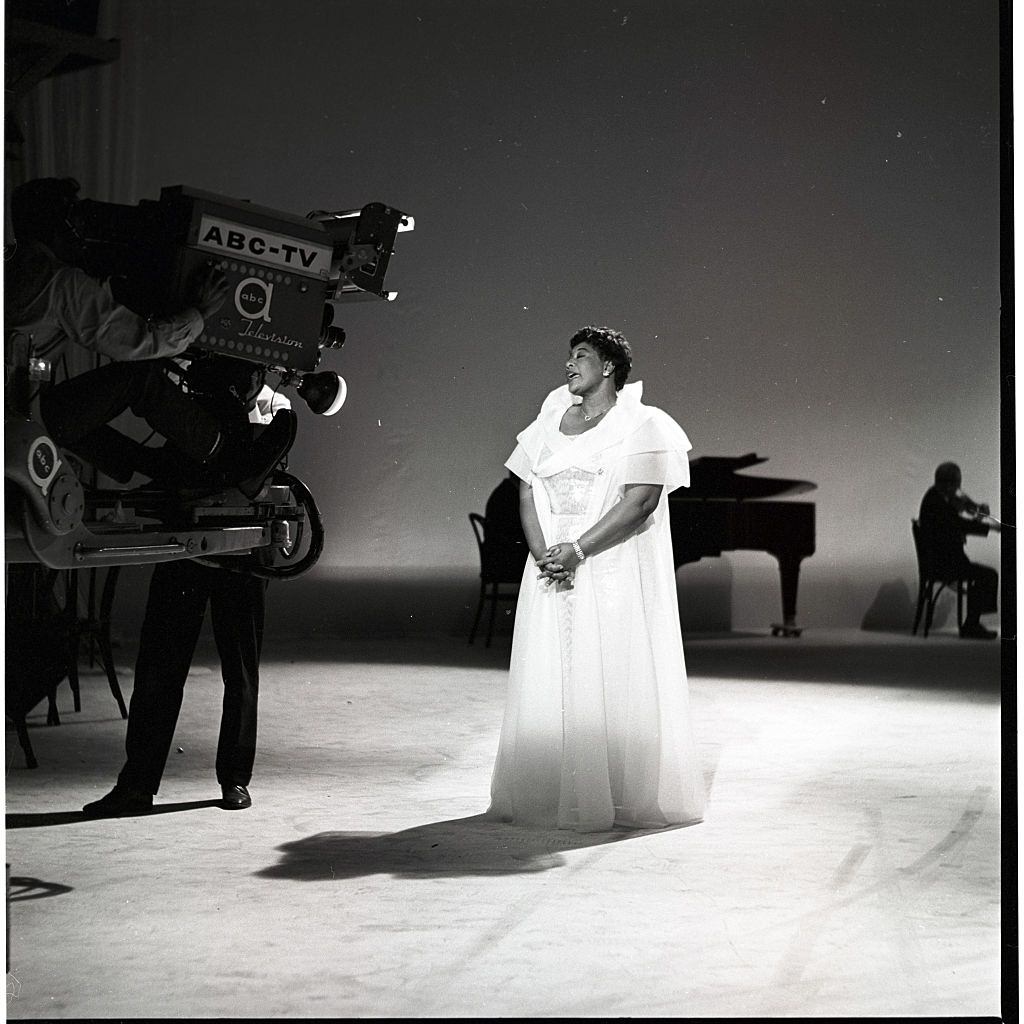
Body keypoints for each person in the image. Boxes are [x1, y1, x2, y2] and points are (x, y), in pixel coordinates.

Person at [486, 326, 706, 833]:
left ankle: (613, 793)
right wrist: (546, 554)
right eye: (568, 356)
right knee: (555, 671)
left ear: (608, 367)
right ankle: (556, 788)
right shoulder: (548, 419)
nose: (569, 365)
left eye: (581, 356)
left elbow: (641, 501)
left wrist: (579, 549)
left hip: (607, 566)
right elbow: (525, 491)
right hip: (552, 567)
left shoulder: (645, 424)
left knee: (608, 668)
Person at [5, 176, 292, 494]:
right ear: (59, 227)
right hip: (20, 419)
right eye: (75, 219)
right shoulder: (59, 283)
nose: (84, 229)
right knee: (136, 378)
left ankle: (160, 469)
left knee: (64, 412)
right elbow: (138, 342)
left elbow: (96, 298)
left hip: (19, 415)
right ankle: (232, 461)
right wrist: (199, 311)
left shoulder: (16, 265)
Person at [82, 386, 291, 817]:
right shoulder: (190, 402)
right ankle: (137, 785)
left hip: (242, 556)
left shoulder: (277, 407)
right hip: (185, 551)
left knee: (240, 674)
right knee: (159, 669)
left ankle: (234, 778)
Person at [918, 461, 998, 639]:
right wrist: (990, 527)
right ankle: (972, 625)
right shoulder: (938, 503)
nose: (959, 489)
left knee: (982, 575)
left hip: (939, 561)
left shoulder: (935, 497)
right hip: (945, 564)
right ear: (948, 484)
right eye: (957, 484)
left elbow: (955, 525)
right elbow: (958, 525)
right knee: (988, 575)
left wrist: (977, 516)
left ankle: (972, 623)